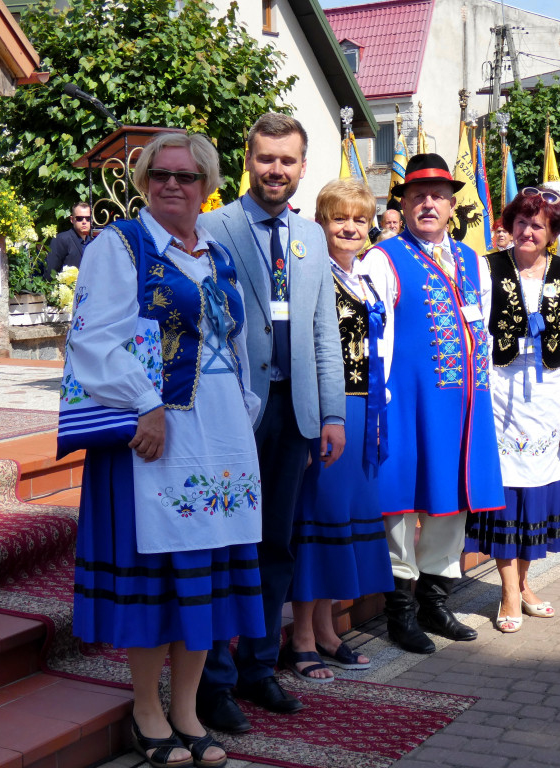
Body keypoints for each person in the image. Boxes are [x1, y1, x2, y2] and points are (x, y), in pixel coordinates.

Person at [68, 132, 265, 768]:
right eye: (159, 174)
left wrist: (244, 411)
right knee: (159, 577)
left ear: (207, 186)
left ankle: (186, 709)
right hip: (154, 431)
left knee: (204, 579)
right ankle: (146, 711)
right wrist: (143, 404)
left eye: (184, 176)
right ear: (144, 181)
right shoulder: (120, 246)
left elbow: (233, 346)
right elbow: (94, 339)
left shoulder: (217, 255)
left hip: (221, 433)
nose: (171, 185)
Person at [197, 114, 346, 732]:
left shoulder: (311, 237)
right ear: (248, 160)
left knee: (275, 544)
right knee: (223, 545)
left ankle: (259, 669)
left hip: (295, 415)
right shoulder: (212, 229)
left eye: (287, 161)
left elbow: (323, 331)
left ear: (303, 166)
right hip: (232, 412)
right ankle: (213, 680)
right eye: (265, 159)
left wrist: (331, 412)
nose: (276, 170)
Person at [363, 154, 504, 655]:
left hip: (463, 404)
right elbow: (376, 338)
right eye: (418, 195)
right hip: (408, 400)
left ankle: (435, 602)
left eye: (439, 195)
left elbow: (480, 324)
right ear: (401, 202)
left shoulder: (471, 259)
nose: (428, 203)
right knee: (401, 504)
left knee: (451, 501)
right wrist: (381, 405)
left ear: (451, 205)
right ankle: (400, 610)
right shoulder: (383, 257)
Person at [283, 179, 395, 683]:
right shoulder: (313, 277)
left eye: (359, 218)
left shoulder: (364, 278)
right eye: (338, 218)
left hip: (365, 412)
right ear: (321, 223)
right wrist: (312, 420)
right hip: (330, 413)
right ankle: (303, 637)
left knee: (341, 526)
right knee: (316, 526)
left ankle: (328, 631)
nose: (350, 228)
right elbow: (305, 351)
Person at [465, 186, 560, 634]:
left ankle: (524, 582)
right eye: (521, 221)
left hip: (549, 399)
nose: (527, 231)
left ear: (552, 232)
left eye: (538, 224)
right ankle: (508, 590)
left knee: (536, 496)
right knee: (506, 497)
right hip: (498, 396)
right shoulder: (485, 269)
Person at [44, 202, 93, 278]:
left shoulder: (93, 242)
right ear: (72, 219)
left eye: (88, 218)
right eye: (79, 218)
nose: (84, 222)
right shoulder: (61, 239)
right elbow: (50, 271)